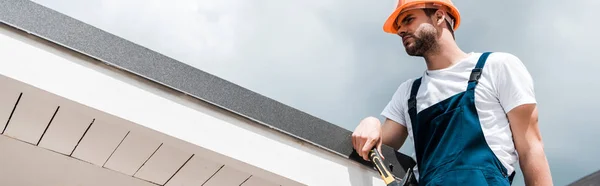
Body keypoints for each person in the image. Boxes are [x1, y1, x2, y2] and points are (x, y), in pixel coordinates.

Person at [351, 0, 553, 185]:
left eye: (408, 20)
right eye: (399, 27)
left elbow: (531, 149)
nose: (401, 30)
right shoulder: (408, 94)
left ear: (439, 16)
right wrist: (372, 122)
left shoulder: (497, 67)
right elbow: (377, 145)